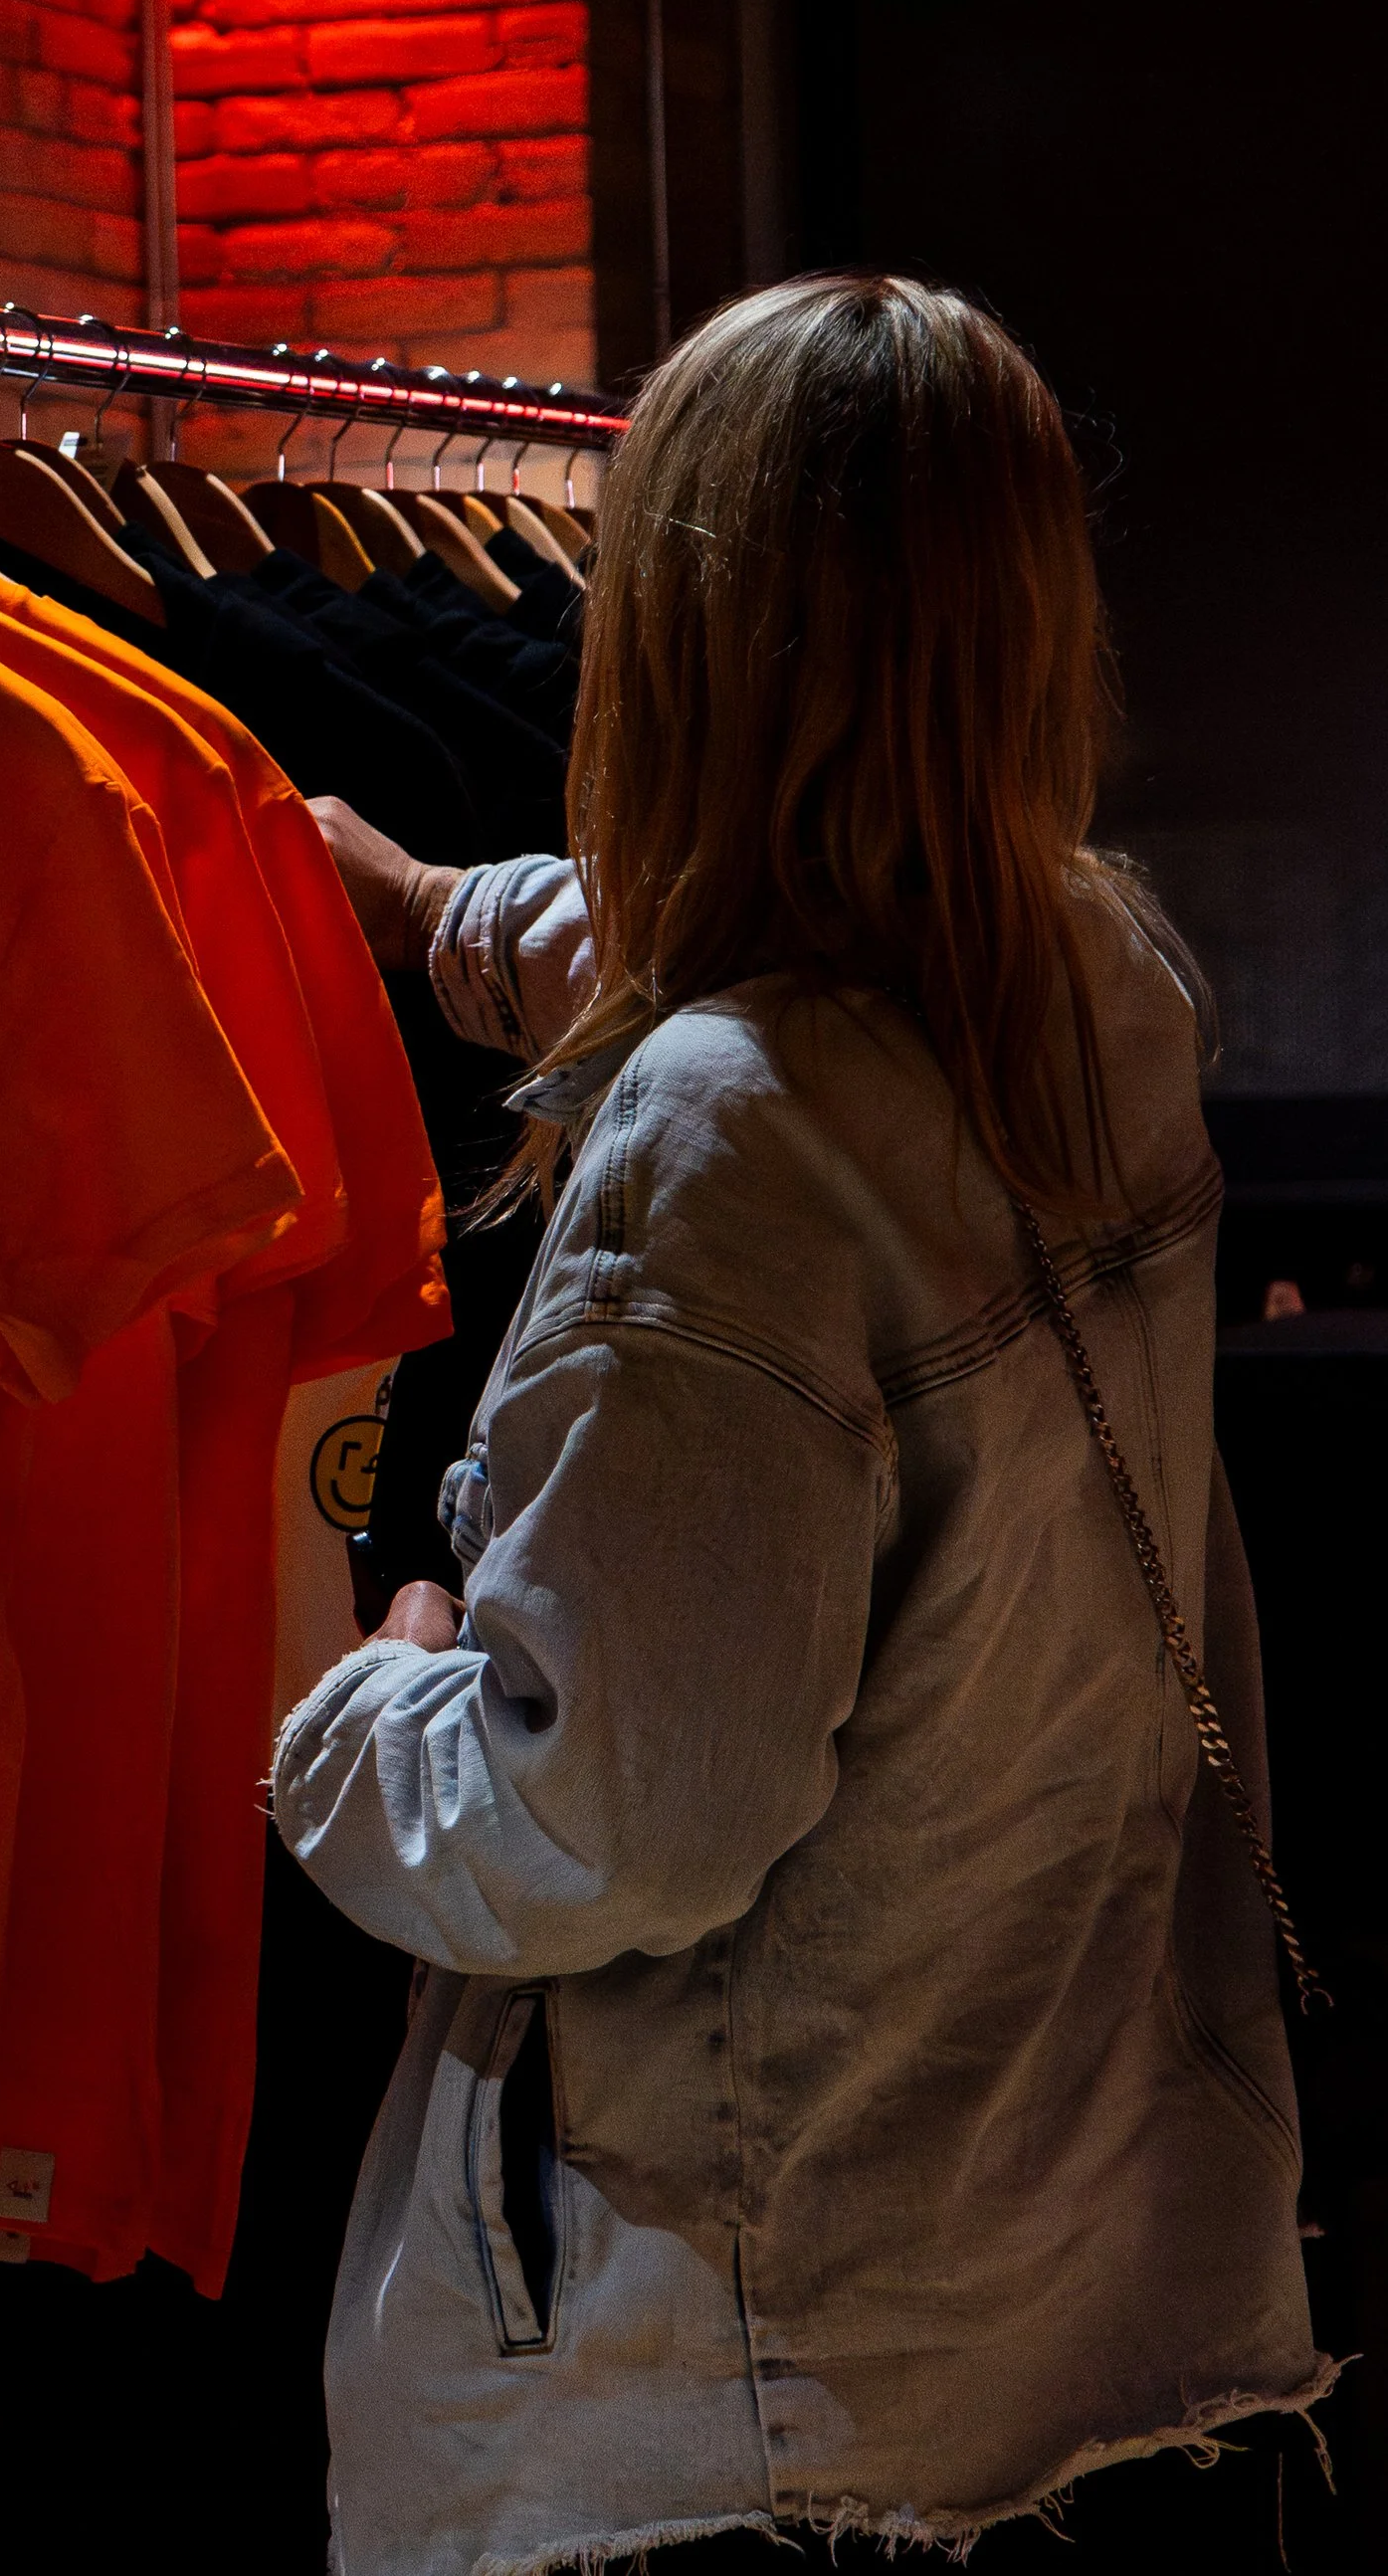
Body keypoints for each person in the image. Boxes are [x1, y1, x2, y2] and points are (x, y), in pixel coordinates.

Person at [282, 276, 1329, 2570]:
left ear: (678, 634)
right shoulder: (1092, 978)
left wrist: (362, 1694)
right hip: (1062, 2271)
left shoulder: (720, 1141)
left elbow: (606, 1830)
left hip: (748, 2391)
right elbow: (763, 976)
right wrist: (435, 917)